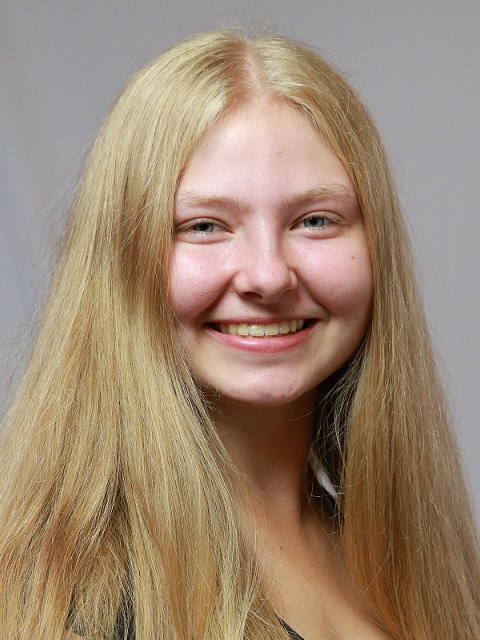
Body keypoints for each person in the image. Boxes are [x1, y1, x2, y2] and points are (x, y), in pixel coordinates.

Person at [0, 29, 478, 640]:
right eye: (205, 226)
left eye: (314, 220)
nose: (269, 276)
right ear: (120, 260)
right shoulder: (75, 596)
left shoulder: (414, 563)